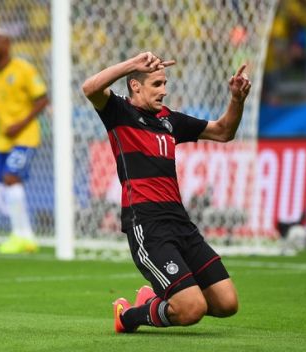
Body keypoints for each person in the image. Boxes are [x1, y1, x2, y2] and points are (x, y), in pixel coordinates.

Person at [81, 52, 251, 332]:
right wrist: (132, 65)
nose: (164, 90)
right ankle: (128, 317)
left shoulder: (169, 119)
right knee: (192, 309)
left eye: (165, 83)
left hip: (181, 223)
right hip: (147, 225)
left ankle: (156, 299)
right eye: (157, 84)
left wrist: (237, 100)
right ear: (135, 86)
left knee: (226, 304)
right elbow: (90, 87)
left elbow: (223, 131)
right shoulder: (119, 112)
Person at [0, 28, 48, 254]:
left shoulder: (24, 69)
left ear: (7, 44)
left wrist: (21, 123)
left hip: (25, 136)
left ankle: (20, 235)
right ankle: (25, 236)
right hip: (2, 140)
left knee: (11, 177)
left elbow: (42, 99)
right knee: (9, 184)